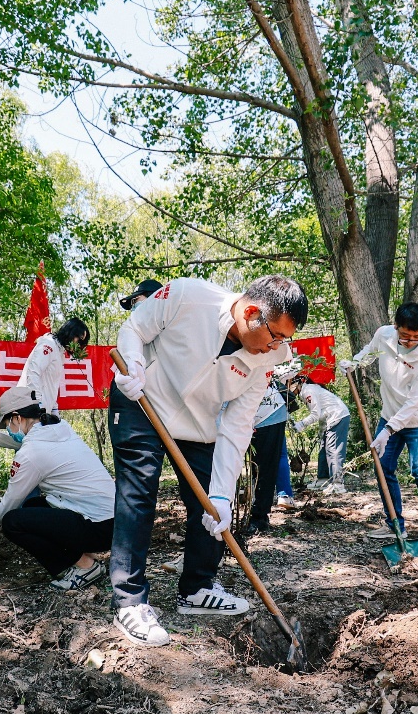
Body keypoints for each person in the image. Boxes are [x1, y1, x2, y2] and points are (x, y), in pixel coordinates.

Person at [108, 275, 308, 647]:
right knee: (139, 489)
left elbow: (237, 424)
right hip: (141, 399)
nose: (277, 347)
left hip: (197, 423)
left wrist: (221, 494)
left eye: (285, 340)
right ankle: (130, 601)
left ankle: (197, 588)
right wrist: (131, 367)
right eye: (275, 336)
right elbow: (135, 329)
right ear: (251, 313)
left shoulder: (271, 357)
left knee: (212, 506)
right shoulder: (188, 295)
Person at [0, 387, 115, 590]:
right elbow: (10, 441)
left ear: (17, 418)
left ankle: (85, 567)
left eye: (7, 423)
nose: (8, 429)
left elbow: (9, 504)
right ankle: (88, 556)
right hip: (115, 521)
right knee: (34, 505)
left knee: (13, 522)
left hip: (98, 528)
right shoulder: (59, 428)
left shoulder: (31, 452)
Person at [338, 303, 418, 554]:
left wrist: (388, 431)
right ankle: (394, 523)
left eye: (417, 337)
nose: (410, 341)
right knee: (383, 466)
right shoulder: (384, 334)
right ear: (396, 326)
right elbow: (370, 351)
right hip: (389, 414)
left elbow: (414, 402)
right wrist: (355, 363)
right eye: (405, 335)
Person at [246, 377, 295, 535]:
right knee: (253, 466)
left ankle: (259, 517)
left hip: (269, 412)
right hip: (246, 412)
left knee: (265, 465)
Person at [289, 376, 350, 494]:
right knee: (323, 448)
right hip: (329, 419)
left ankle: (338, 484)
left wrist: (301, 424)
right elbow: (322, 412)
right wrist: (321, 432)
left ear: (297, 383)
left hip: (338, 416)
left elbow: (315, 415)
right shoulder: (306, 392)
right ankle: (324, 479)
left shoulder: (308, 391)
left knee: (334, 450)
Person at [19, 317, 90, 415]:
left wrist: (54, 409)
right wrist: (37, 404)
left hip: (42, 412)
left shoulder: (60, 352)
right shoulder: (49, 344)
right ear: (70, 332)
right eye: (78, 339)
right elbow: (33, 373)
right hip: (30, 410)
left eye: (81, 343)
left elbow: (51, 385)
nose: (78, 345)